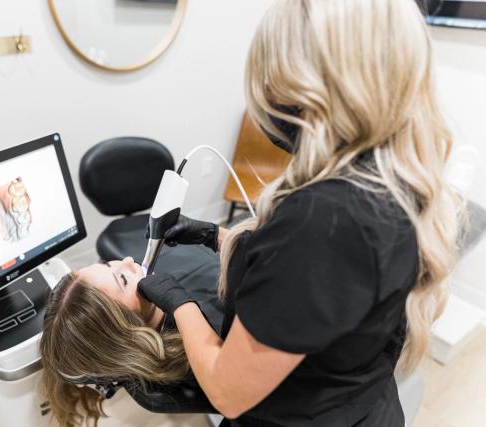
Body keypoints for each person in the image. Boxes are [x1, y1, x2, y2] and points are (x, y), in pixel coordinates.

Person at [137, 1, 466, 426]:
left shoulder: (325, 219)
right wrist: (220, 237)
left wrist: (178, 302)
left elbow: (226, 391)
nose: (270, 91)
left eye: (279, 74)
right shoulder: (389, 179)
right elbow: (323, 290)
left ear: (313, 80)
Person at [39, 255, 223, 427]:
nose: (127, 260)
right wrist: (183, 307)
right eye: (123, 279)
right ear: (127, 331)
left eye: (107, 264)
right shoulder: (182, 373)